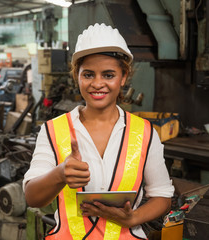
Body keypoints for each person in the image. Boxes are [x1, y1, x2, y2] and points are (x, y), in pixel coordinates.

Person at [24, 23, 174, 239]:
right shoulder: (52, 130)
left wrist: (133, 218)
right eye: (88, 75)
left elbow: (162, 196)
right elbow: (32, 198)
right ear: (77, 77)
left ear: (123, 77)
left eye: (108, 75)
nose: (97, 83)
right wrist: (59, 174)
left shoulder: (145, 132)